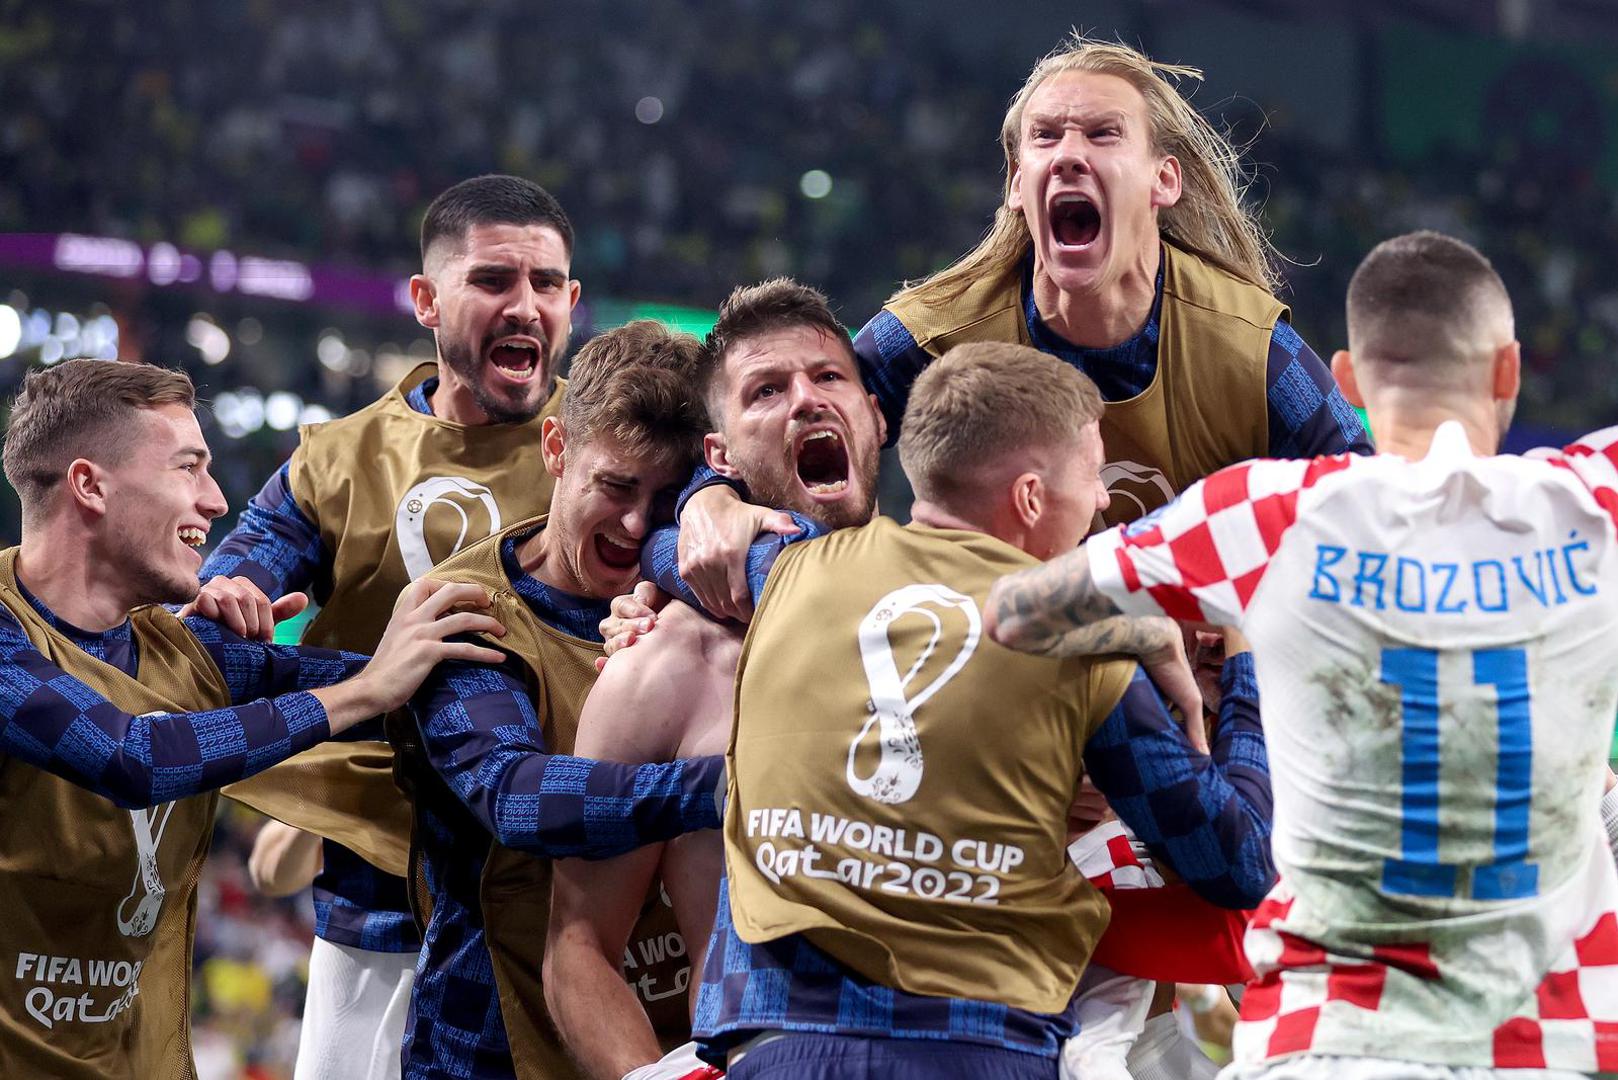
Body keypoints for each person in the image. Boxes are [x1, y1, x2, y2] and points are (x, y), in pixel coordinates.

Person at [986, 230, 1618, 1078]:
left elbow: (1012, 615)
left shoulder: (1268, 514)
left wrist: (1148, 632)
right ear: (1508, 371)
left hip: (1327, 1038)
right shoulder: (1593, 497)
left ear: (1347, 380)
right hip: (1543, 1046)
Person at [660, 36, 1371, 628]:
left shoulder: (1252, 348)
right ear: (1015, 183)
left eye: (1102, 133)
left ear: (1165, 181)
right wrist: (706, 501)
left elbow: (1373, 512)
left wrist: (1253, 626)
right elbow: (743, 465)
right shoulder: (936, 330)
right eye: (1046, 136)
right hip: (988, 669)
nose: (1069, 153)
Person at [0, 358, 504, 1079]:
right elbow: (133, 756)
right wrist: (363, 693)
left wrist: (606, 638)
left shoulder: (185, 653)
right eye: (188, 468)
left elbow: (418, 685)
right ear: (90, 485)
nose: (215, 500)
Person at [192, 173, 581, 1080]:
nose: (524, 305)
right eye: (493, 280)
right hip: (380, 909)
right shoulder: (334, 462)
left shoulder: (611, 449)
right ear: (426, 301)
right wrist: (229, 596)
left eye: (546, 283)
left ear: (572, 301)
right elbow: (224, 592)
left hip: (571, 898)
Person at [396, 322, 728, 1080]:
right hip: (493, 1047)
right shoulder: (462, 611)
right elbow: (514, 797)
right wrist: (731, 787)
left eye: (667, 499)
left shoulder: (708, 604)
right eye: (616, 487)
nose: (636, 524)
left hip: (685, 1040)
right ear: (556, 448)